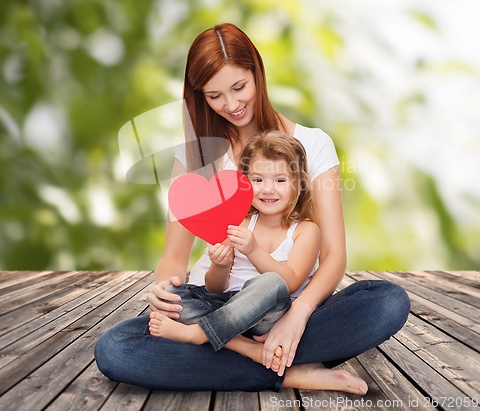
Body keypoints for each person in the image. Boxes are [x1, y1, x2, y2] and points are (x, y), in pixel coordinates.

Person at [94, 23, 410, 393]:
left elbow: (334, 256)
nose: (231, 105)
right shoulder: (195, 156)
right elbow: (173, 258)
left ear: (257, 73)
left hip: (285, 307)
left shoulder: (313, 144)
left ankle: (255, 352)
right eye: (214, 95)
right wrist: (163, 291)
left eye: (239, 87)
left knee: (387, 301)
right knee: (114, 348)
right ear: (200, 96)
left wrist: (296, 316)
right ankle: (286, 370)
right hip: (212, 302)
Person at [149, 131, 365, 387]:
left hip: (270, 318)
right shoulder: (240, 223)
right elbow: (215, 288)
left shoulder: (306, 230)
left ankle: (199, 335)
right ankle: (246, 349)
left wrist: (254, 251)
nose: (268, 189)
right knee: (174, 292)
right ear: (245, 183)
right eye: (258, 179)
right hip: (228, 311)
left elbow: (290, 282)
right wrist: (220, 265)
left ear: (298, 184)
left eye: (280, 180)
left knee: (270, 283)